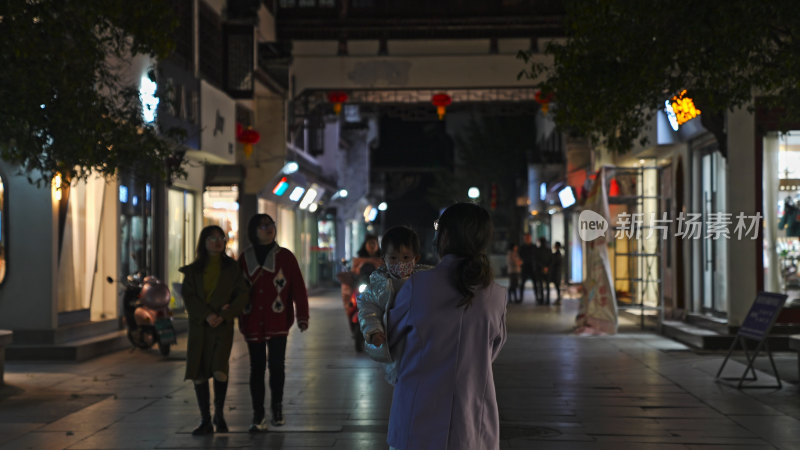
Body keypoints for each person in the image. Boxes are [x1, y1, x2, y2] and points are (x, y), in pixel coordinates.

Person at [386, 203, 507, 450]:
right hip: (473, 426)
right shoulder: (496, 295)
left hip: (417, 422)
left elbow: (388, 339)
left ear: (446, 236)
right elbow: (491, 351)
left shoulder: (418, 286)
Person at [237, 214, 309, 432]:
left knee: (276, 366)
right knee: (256, 368)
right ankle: (258, 413)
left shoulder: (285, 257)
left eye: (271, 225)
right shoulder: (245, 257)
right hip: (252, 321)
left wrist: (302, 316)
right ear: (254, 230)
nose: (268, 229)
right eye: (263, 226)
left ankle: (277, 407)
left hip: (277, 320)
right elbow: (236, 289)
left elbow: (298, 287)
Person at [180, 225, 251, 436]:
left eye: (221, 237)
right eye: (212, 238)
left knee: (220, 369)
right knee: (199, 372)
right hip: (200, 327)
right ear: (204, 242)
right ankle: (205, 420)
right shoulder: (193, 271)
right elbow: (189, 297)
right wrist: (206, 314)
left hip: (222, 326)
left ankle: (219, 414)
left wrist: (226, 314)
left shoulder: (233, 268)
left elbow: (243, 294)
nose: (217, 241)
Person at [357, 225, 431, 385]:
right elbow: (368, 309)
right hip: (394, 345)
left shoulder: (428, 282)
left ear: (416, 258)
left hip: (423, 346)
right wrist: (374, 331)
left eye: (405, 258)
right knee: (402, 382)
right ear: (383, 259)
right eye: (393, 258)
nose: (399, 263)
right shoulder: (378, 285)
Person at [517, 233, 536, 303]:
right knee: (522, 284)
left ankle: (537, 298)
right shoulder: (522, 247)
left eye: (528, 238)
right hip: (524, 268)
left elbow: (536, 256)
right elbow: (519, 257)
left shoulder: (534, 247)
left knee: (535, 284)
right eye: (526, 238)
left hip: (532, 267)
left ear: (530, 238)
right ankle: (520, 298)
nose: (527, 239)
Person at [534, 237, 552, 305]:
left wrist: (543, 267)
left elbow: (537, 260)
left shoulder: (538, 250)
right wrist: (547, 267)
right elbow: (551, 260)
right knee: (546, 286)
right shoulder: (548, 250)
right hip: (546, 270)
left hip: (540, 270)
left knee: (541, 286)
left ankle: (542, 300)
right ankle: (547, 300)